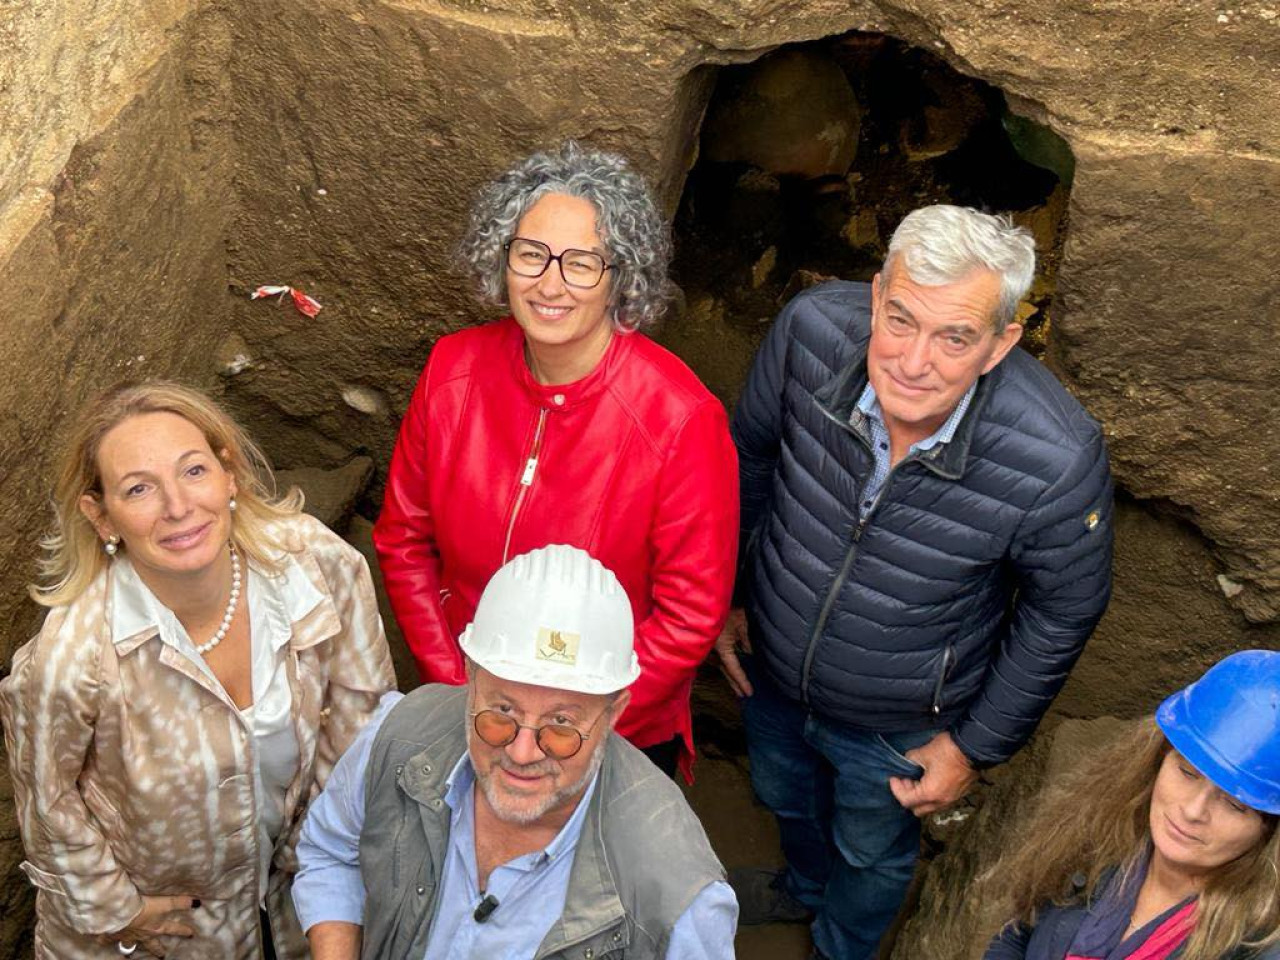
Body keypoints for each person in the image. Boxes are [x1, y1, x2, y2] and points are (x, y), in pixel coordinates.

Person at [718, 204, 1114, 959]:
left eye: (954, 337)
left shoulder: (1055, 457)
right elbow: (751, 456)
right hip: (771, 663)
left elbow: (1064, 610)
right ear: (874, 297)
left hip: (899, 719)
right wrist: (731, 594)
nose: (913, 359)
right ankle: (801, 888)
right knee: (784, 797)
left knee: (871, 852)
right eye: (900, 319)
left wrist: (971, 748)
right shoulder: (809, 334)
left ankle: (840, 946)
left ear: (1000, 344)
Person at [373, 141, 738, 779]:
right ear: (503, 258)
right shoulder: (452, 370)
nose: (550, 283)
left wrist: (565, 728)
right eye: (531, 253)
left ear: (620, 275)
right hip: (470, 701)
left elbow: (689, 614)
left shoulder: (680, 418)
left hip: (612, 727)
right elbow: (404, 541)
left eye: (582, 263)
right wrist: (467, 696)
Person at [0, 381, 397, 959]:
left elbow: (363, 716)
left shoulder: (317, 567)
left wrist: (319, 858)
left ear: (228, 473)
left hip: (295, 897)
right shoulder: (72, 657)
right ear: (102, 516)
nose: (178, 507)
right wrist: (115, 908)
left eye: (193, 471)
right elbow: (47, 801)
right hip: (158, 933)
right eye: (139, 489)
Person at [292, 543, 737, 959]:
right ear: (469, 675)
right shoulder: (401, 732)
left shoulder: (678, 896)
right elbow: (332, 851)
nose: (522, 753)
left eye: (561, 724)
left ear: (615, 709)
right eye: (501, 711)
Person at [983, 650, 1280, 960]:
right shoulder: (1103, 839)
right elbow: (1019, 932)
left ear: (1269, 830)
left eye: (1234, 804)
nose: (1192, 811)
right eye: (1186, 772)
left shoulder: (1257, 948)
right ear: (1158, 759)